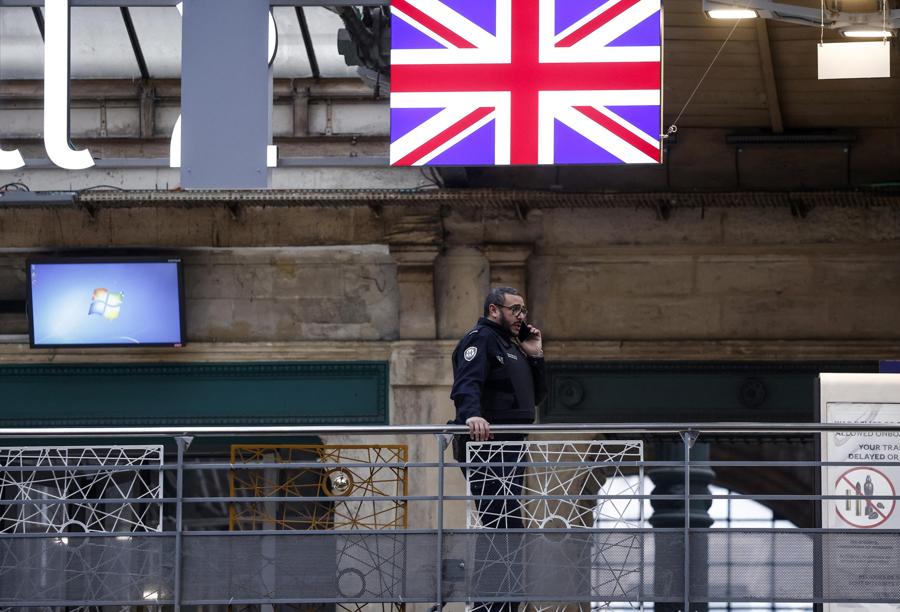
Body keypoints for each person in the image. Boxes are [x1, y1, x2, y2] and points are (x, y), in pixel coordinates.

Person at [450, 286, 547, 612]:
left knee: (508, 525)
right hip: (487, 447)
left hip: (511, 447)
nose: (522, 316)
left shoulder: (513, 345)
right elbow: (467, 383)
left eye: (523, 310)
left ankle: (504, 604)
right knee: (500, 524)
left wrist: (535, 355)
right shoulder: (481, 339)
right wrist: (472, 414)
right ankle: (491, 606)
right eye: (515, 310)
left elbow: (536, 396)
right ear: (494, 310)